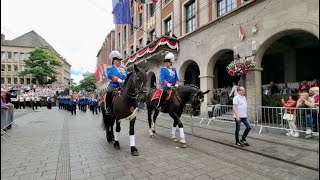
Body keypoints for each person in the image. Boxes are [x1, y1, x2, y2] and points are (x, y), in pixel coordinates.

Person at [106, 50, 128, 115]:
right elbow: (109, 75)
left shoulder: (124, 68)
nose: (119, 62)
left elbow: (127, 74)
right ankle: (109, 108)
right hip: (114, 84)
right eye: (117, 60)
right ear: (113, 61)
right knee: (109, 92)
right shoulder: (110, 67)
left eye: (120, 60)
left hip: (124, 84)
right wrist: (117, 79)